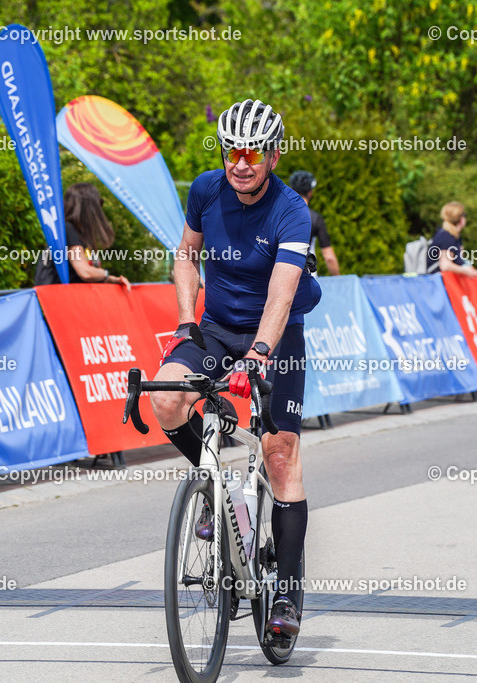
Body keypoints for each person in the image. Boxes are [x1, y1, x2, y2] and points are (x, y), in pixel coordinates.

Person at [150, 99, 321, 640]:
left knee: (279, 450)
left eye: (251, 152)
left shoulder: (292, 211)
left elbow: (281, 291)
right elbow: (186, 255)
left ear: (272, 155)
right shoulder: (205, 190)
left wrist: (261, 353)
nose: (240, 162)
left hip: (277, 334)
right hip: (218, 327)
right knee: (167, 399)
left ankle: (288, 592)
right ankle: (217, 483)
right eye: (231, 151)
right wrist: (184, 322)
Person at [34, 183, 131, 290]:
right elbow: (85, 272)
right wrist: (105, 274)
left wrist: (111, 279)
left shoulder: (75, 233)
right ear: (89, 207)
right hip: (56, 298)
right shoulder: (68, 229)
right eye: (99, 204)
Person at [286, 170, 340, 275]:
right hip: (306, 277)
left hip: (281, 276)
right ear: (310, 192)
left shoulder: (279, 214)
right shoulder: (315, 218)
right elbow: (329, 258)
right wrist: (339, 281)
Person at [426, 201, 477, 278]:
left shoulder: (452, 235)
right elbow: (445, 265)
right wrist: (466, 271)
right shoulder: (447, 236)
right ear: (459, 218)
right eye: (464, 215)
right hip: (439, 284)